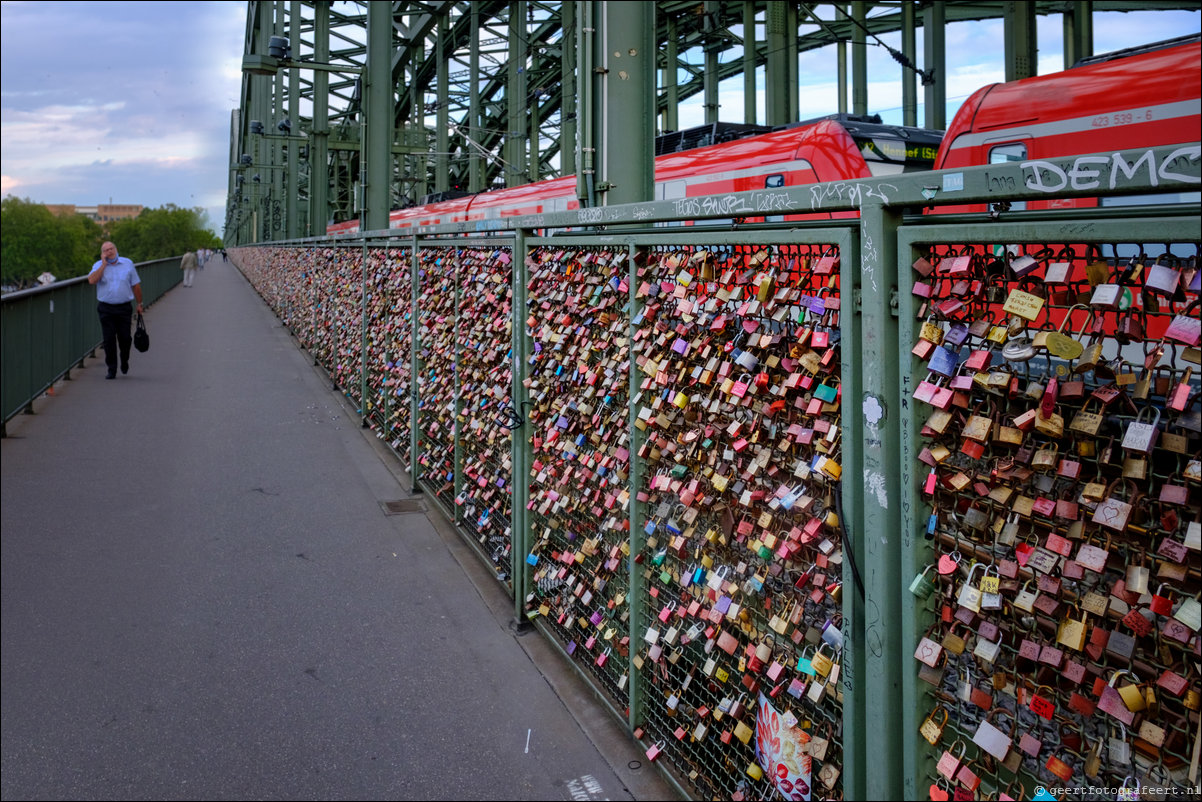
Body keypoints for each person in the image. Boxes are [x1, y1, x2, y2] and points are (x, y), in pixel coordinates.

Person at [87, 241, 144, 379]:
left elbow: (135, 285)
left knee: (125, 338)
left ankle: (124, 360)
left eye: (111, 248)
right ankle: (111, 369)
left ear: (116, 249)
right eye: (106, 250)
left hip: (124, 307)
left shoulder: (127, 263)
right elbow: (91, 281)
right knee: (109, 339)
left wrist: (139, 303)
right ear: (102, 253)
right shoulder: (98, 265)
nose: (109, 251)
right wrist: (103, 265)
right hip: (106, 308)